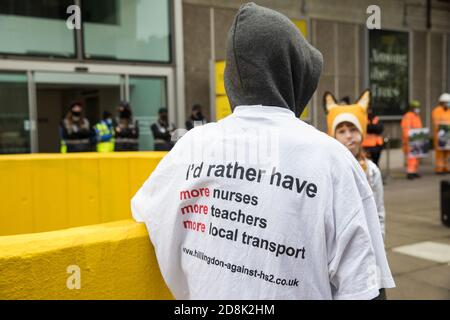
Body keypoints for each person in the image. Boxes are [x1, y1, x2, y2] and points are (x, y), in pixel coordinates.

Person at [131, 3, 394, 300]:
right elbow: (364, 289)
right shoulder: (331, 160)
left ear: (231, 79)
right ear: (296, 75)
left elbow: (145, 212)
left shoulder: (191, 146)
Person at [325, 90, 386, 239]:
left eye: (353, 130)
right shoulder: (326, 169)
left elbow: (378, 213)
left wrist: (379, 245)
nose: (349, 136)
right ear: (333, 135)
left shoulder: (371, 171)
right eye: (341, 131)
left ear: (361, 133)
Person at [401, 100, 423, 179]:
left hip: (416, 139)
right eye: (416, 108)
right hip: (410, 140)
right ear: (412, 108)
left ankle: (414, 171)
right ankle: (410, 172)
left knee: (416, 156)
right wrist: (409, 138)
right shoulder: (408, 116)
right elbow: (406, 129)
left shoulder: (416, 116)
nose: (417, 109)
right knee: (411, 158)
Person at [431, 93, 450, 174]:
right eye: (447, 102)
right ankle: (439, 169)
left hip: (448, 136)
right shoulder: (437, 110)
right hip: (440, 136)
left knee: (448, 153)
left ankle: (447, 168)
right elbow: (436, 122)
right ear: (442, 102)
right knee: (440, 154)